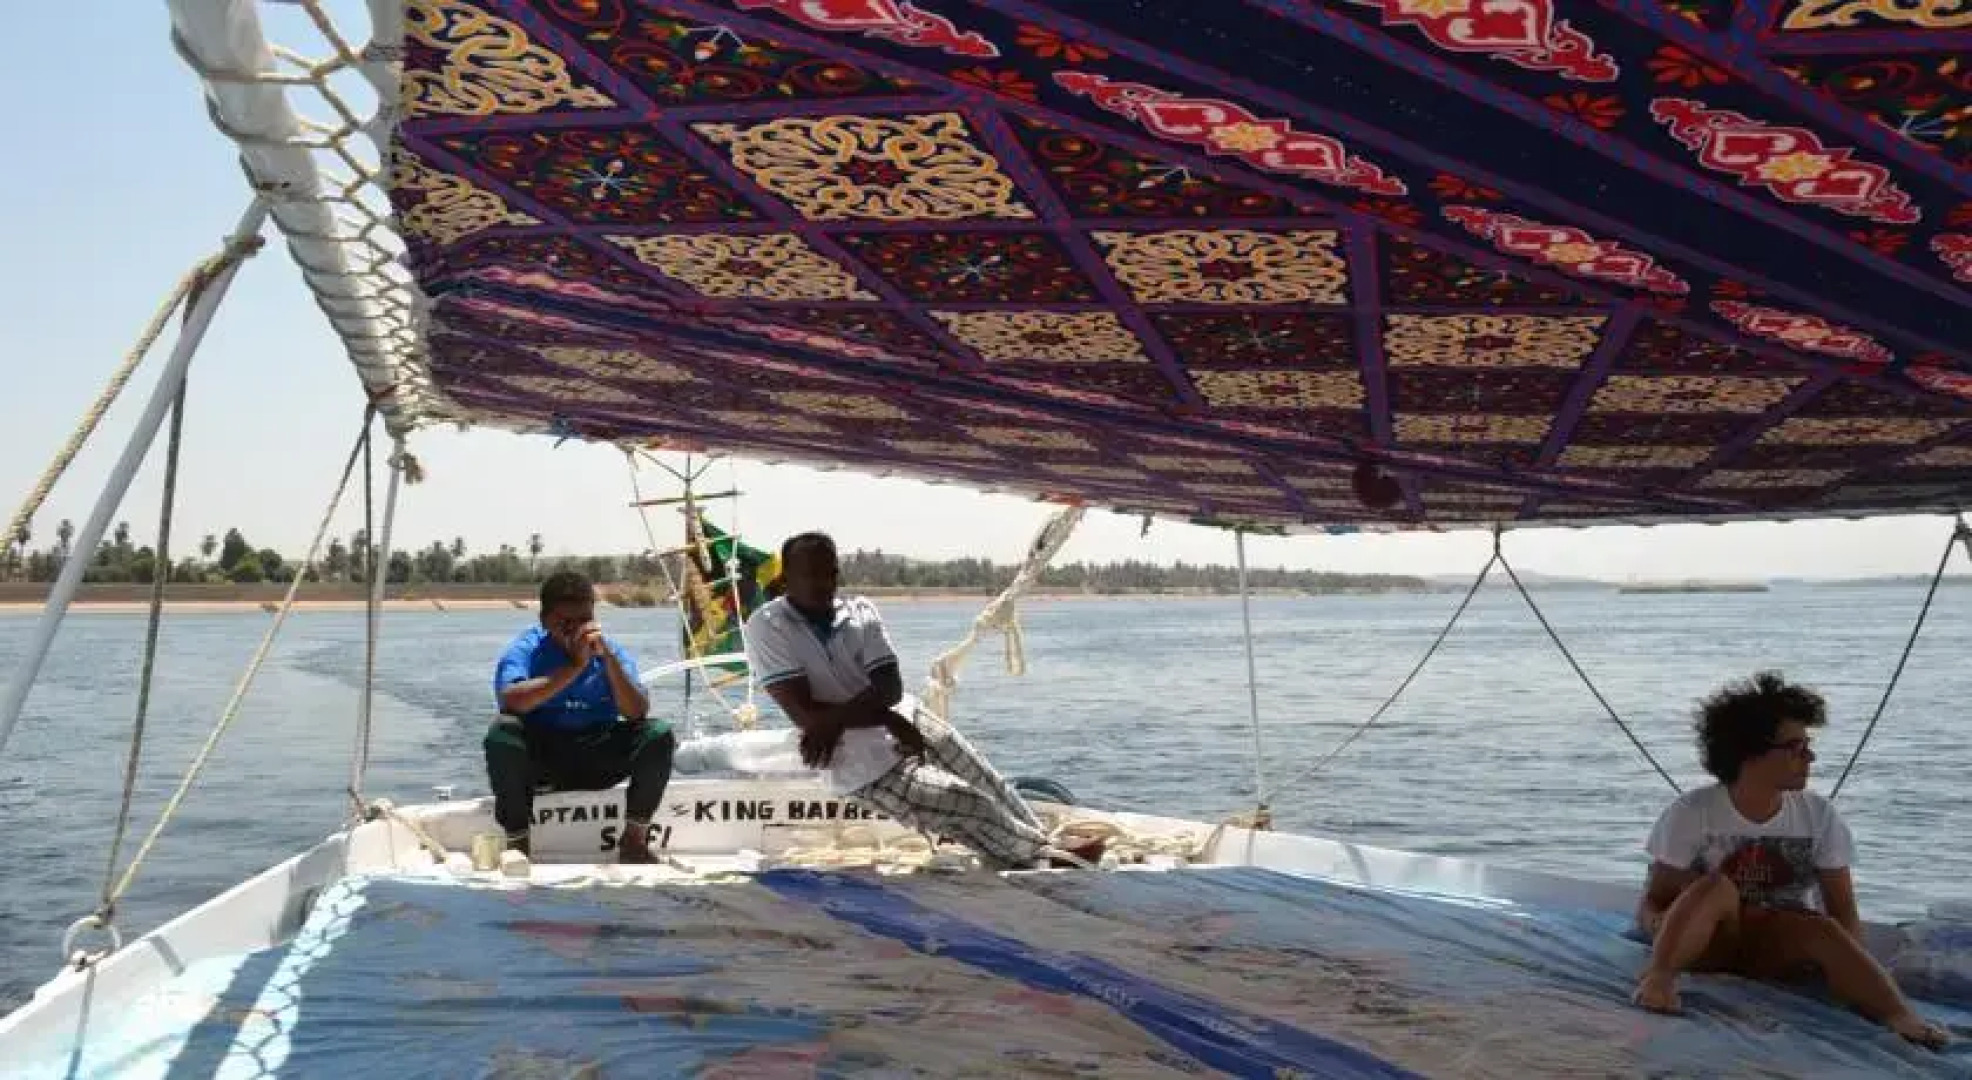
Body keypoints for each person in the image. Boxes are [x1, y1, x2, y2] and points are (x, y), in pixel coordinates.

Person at [744, 531, 1104, 870]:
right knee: (966, 803)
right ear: (787, 577)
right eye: (812, 574)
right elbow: (805, 715)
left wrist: (863, 718)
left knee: (986, 779)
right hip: (858, 761)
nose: (825, 583)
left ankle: (1033, 847)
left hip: (906, 718)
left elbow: (890, 689)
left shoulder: (860, 611)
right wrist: (885, 719)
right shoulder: (767, 626)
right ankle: (1043, 856)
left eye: (831, 572)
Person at [1632, 672, 1947, 1048]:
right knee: (1715, 887)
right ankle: (1659, 980)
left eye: (1808, 745)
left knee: (1821, 928)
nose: (1809, 757)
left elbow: (1843, 912)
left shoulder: (1818, 815)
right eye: (1795, 747)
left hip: (1777, 949)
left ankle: (1901, 1017)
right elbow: (1655, 899)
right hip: (1712, 943)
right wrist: (1657, 923)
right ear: (1750, 753)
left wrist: (1850, 972)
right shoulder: (1692, 812)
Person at [485, 571, 675, 863]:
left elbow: (637, 711)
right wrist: (575, 666)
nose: (574, 630)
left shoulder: (610, 652)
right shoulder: (525, 649)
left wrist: (607, 661)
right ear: (544, 619)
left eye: (582, 620)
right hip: (544, 758)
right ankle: (518, 840)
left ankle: (634, 840)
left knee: (657, 733)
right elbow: (511, 701)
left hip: (597, 752)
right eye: (564, 623)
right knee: (502, 733)